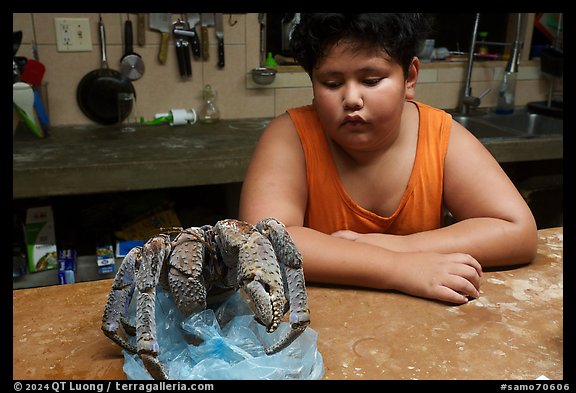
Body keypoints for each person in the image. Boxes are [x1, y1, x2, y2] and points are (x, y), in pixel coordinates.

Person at [239, 13, 537, 304]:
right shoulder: (289, 136)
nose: (352, 99)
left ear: (409, 77)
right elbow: (263, 243)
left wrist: (404, 247)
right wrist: (397, 268)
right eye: (331, 83)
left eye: (370, 80)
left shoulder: (440, 137)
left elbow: (518, 230)